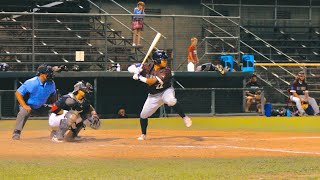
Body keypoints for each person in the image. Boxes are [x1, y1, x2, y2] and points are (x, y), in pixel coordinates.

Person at [128, 50, 192, 140]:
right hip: (153, 96)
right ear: (156, 60)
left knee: (171, 101)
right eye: (163, 60)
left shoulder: (166, 70)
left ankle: (184, 117)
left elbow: (152, 81)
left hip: (166, 91)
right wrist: (135, 69)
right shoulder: (147, 67)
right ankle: (143, 134)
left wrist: (139, 77)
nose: (166, 61)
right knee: (143, 115)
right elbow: (130, 68)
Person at [12, 64, 56, 140]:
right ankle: (17, 132)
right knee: (23, 112)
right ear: (41, 74)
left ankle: (56, 132)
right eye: (48, 73)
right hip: (29, 105)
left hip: (41, 106)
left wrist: (55, 106)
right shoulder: (31, 82)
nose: (50, 75)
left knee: (56, 111)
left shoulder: (51, 83)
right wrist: (24, 105)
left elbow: (54, 95)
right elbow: (18, 93)